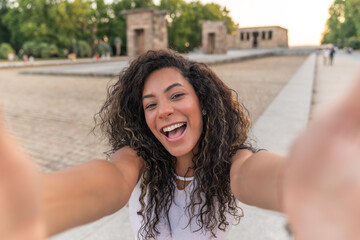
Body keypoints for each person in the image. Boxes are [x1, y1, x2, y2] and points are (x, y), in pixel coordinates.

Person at [0, 49, 360, 240]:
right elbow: (110, 182)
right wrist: (34, 205)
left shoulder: (231, 162)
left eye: (176, 95)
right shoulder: (137, 159)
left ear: (202, 102)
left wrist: (307, 186)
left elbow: (254, 176)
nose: (164, 110)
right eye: (150, 104)